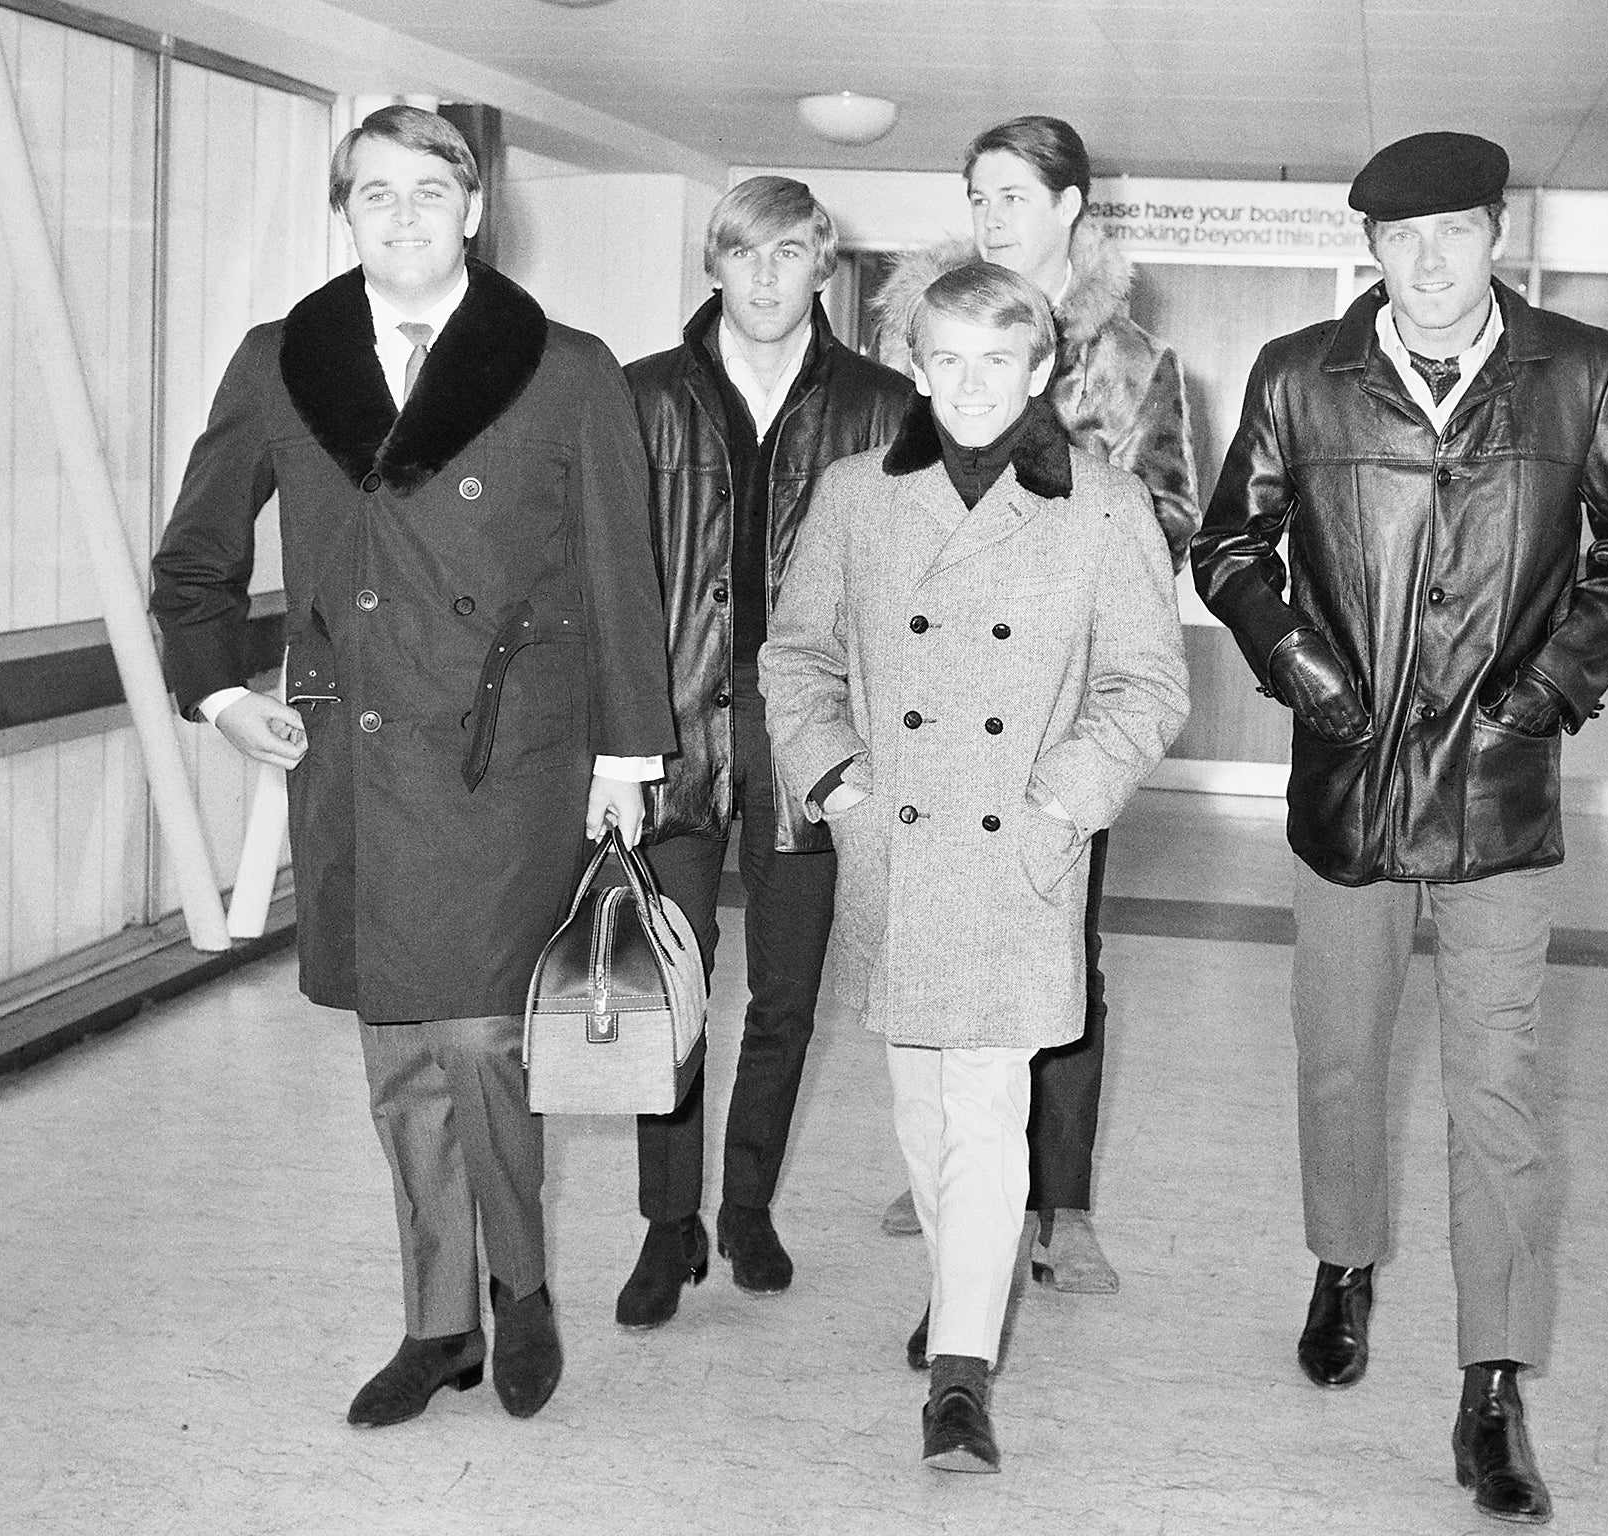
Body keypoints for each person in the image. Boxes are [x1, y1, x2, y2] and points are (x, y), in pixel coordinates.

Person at [150, 106, 675, 1428]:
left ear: (473, 207)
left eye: (426, 192)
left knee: (481, 1034)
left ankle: (525, 1289)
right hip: (354, 746)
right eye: (371, 194)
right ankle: (439, 1322)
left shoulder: (563, 368)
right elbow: (195, 554)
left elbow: (623, 574)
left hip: (513, 754)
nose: (399, 216)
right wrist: (219, 692)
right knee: (397, 1054)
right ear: (344, 211)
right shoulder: (283, 363)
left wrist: (628, 757)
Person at [1191, 131, 1608, 1523]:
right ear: (1370, 252)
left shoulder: (1579, 369)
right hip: (1344, 785)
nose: (1428, 262)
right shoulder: (1301, 373)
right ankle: (1343, 1267)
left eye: (1454, 232)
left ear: (1498, 233)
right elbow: (1229, 541)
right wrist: (1302, 667)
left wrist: (1546, 693)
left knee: (1499, 1097)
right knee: (1339, 1060)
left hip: (1498, 793)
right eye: (1400, 240)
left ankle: (1493, 1384)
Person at [762, 263, 1189, 1472]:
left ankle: (960, 1373)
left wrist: (1064, 800)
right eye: (944, 358)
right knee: (918, 1102)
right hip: (892, 844)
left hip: (1018, 852)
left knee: (987, 1115)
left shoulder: (1106, 506)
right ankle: (966, 1279)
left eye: (996, 361)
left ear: (1042, 369)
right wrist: (838, 783)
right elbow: (793, 656)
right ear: (912, 361)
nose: (967, 386)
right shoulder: (857, 495)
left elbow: (1148, 685)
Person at [867, 114, 1199, 1294]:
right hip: (924, 706)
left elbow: (1168, 517)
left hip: (1053, 699)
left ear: (1069, 206)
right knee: (917, 941)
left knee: (1059, 951)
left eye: (1011, 194)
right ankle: (952, 1175)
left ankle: (1057, 1200)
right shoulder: (926, 327)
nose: (989, 214)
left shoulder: (1135, 364)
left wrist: (1059, 543)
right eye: (976, 194)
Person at [613, 176, 911, 1328]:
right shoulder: (638, 398)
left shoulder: (885, 408)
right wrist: (613, 743)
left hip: (809, 730)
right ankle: (663, 1225)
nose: (766, 278)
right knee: (668, 991)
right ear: (714, 264)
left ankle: (744, 1205)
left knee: (784, 992)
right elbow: (605, 579)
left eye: (790, 255)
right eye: (744, 255)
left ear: (822, 265)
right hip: (673, 724)